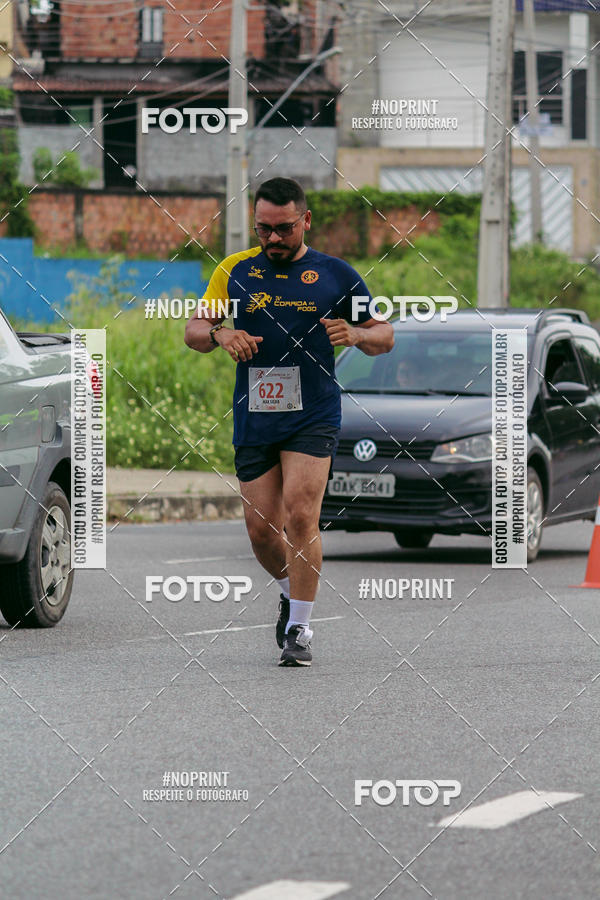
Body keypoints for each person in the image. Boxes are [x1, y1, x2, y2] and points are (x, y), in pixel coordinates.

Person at [184, 177, 394, 666]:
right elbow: (193, 330)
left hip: (313, 412)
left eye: (283, 229)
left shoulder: (336, 275)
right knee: (261, 531)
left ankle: (299, 627)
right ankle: (288, 590)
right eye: (264, 230)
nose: (273, 239)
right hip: (255, 413)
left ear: (305, 221)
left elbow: (385, 335)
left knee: (301, 514)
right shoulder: (234, 272)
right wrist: (220, 335)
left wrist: (357, 335)